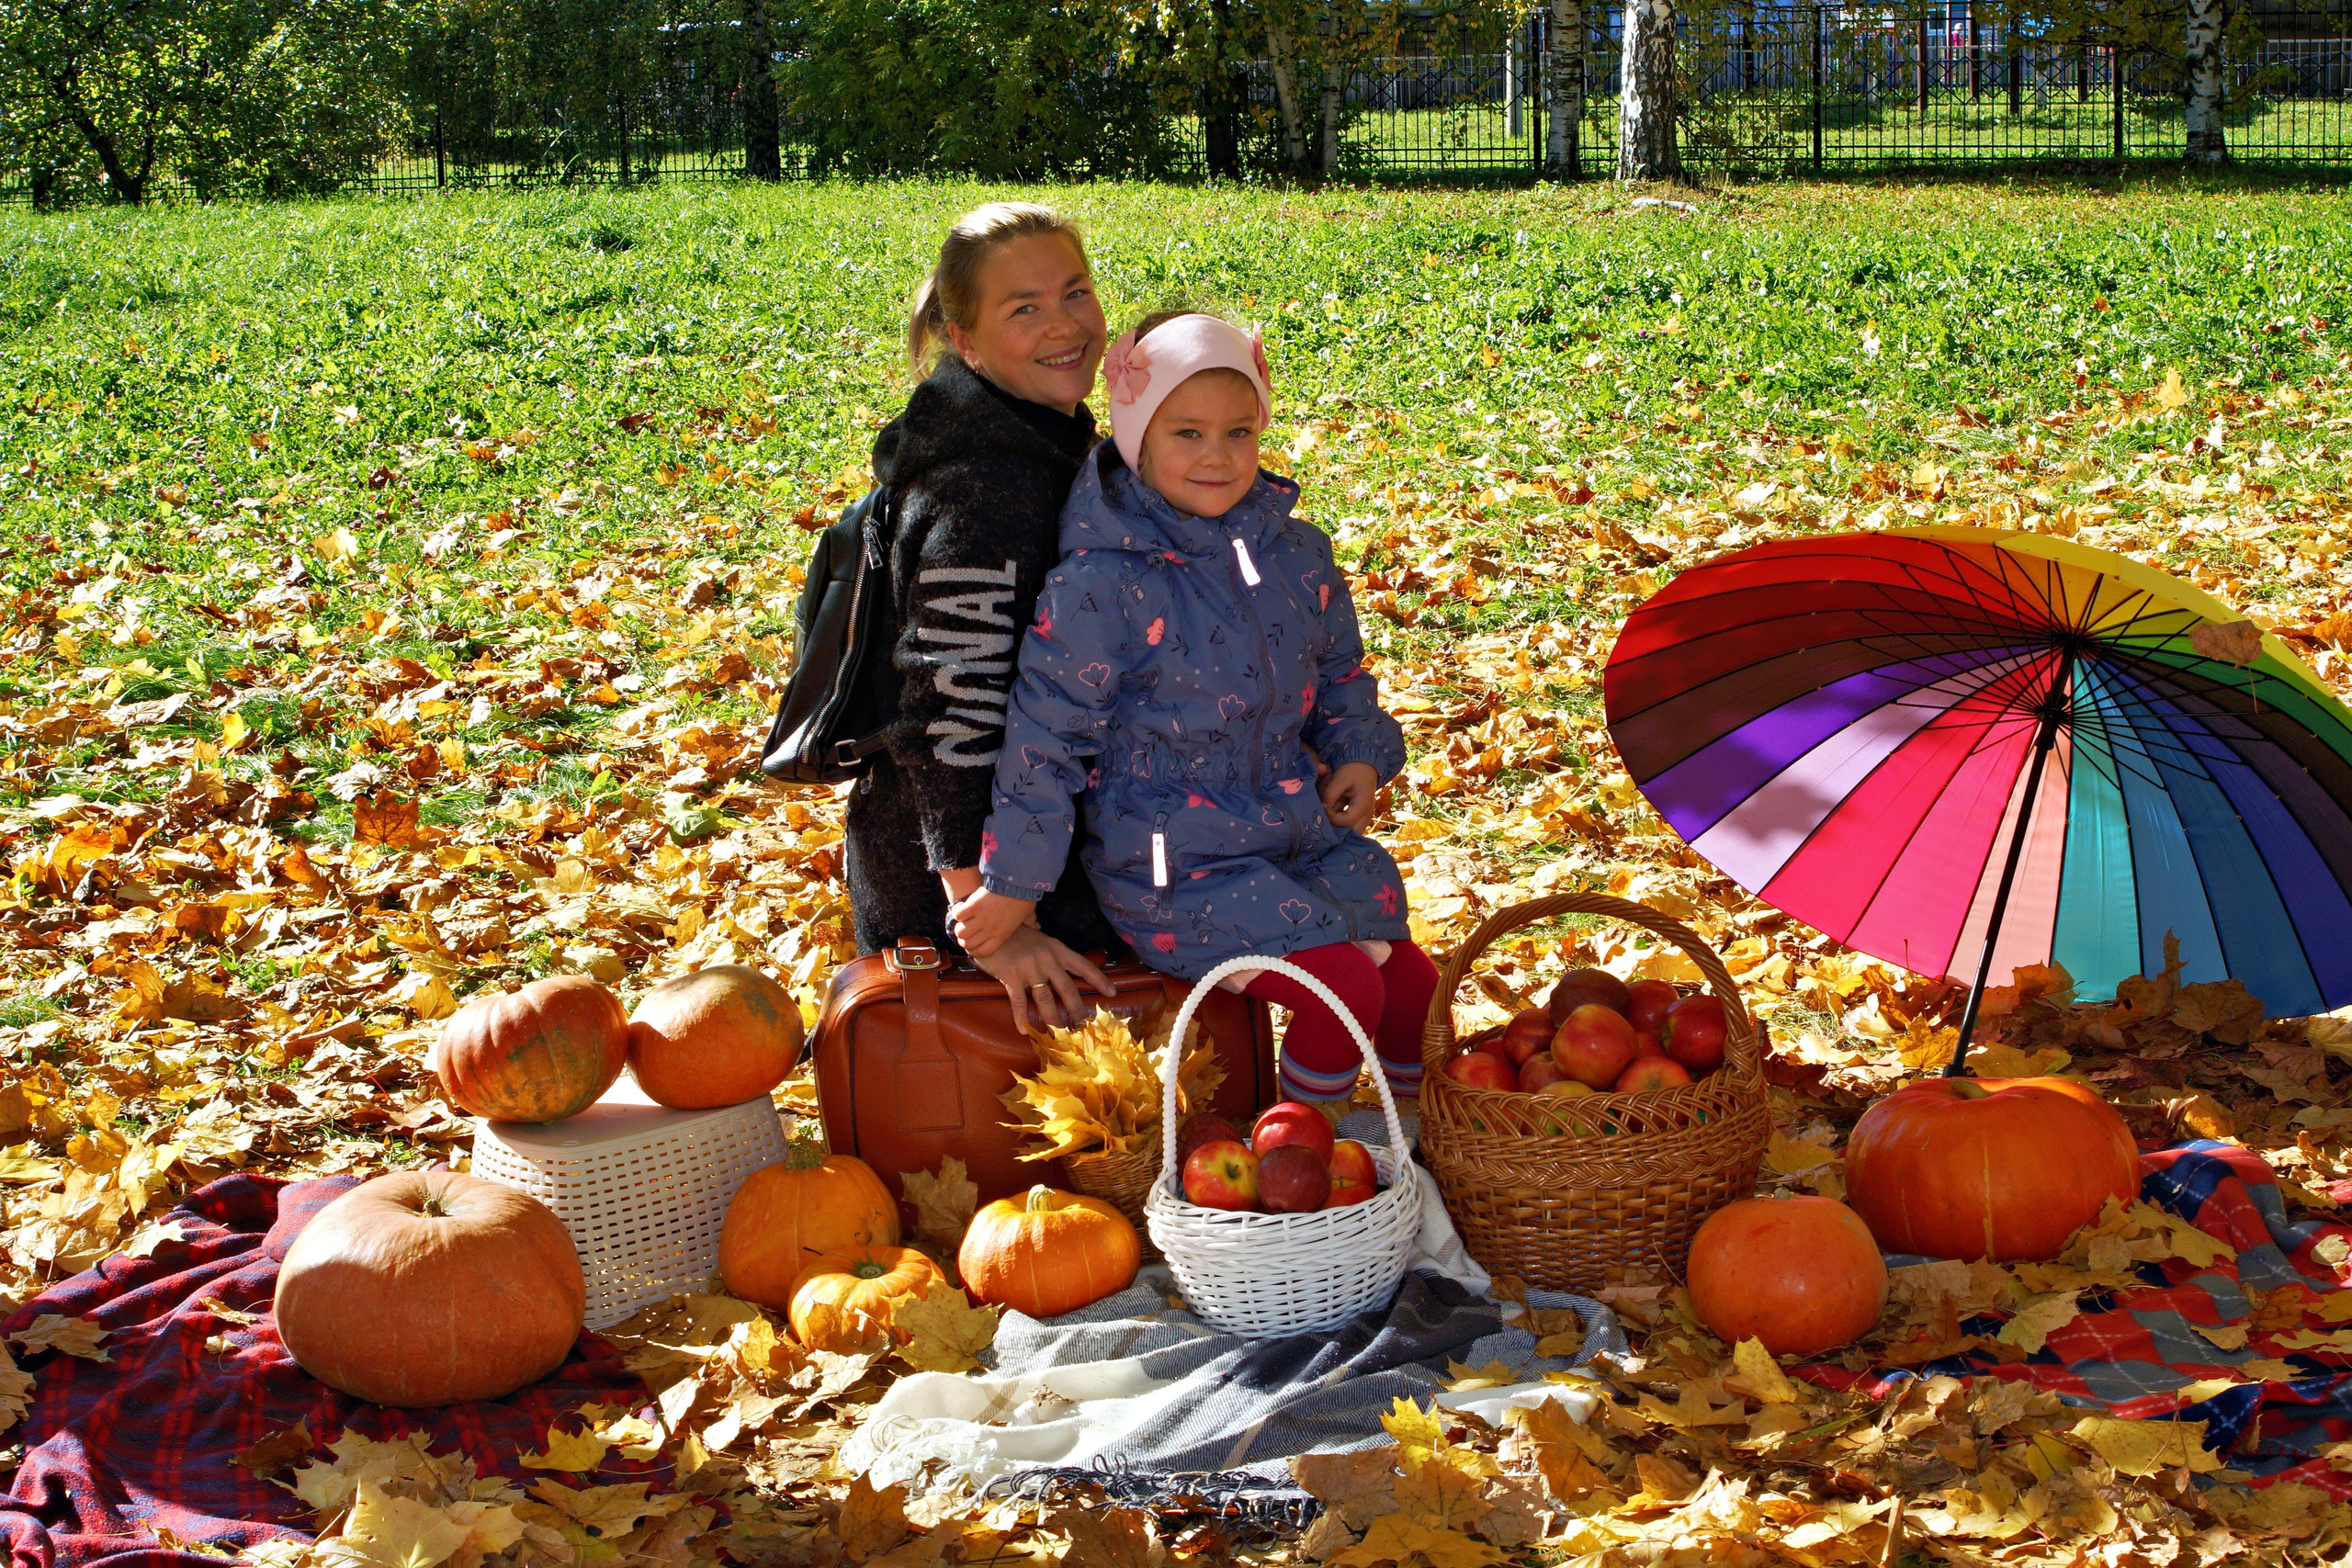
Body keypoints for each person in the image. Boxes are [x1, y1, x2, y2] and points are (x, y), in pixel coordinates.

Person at [950, 311, 1439, 1105]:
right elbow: (1046, 737)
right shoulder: (1102, 583)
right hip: (1175, 863)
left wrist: (1357, 750)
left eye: (1238, 432)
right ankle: (1310, 1161)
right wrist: (1015, 883)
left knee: (1412, 984)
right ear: (1138, 437)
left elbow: (1339, 669)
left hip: (1293, 828)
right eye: (1186, 432)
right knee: (1343, 990)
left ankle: (1412, 1135)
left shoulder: (1294, 553)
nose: (1217, 455)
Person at [845, 201, 1122, 1032]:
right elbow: (948, 713)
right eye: (1024, 308)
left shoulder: (1040, 437)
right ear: (965, 342)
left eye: (1075, 292)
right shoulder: (982, 491)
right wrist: (992, 922)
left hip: (1031, 853)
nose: (1065, 324)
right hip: (974, 894)